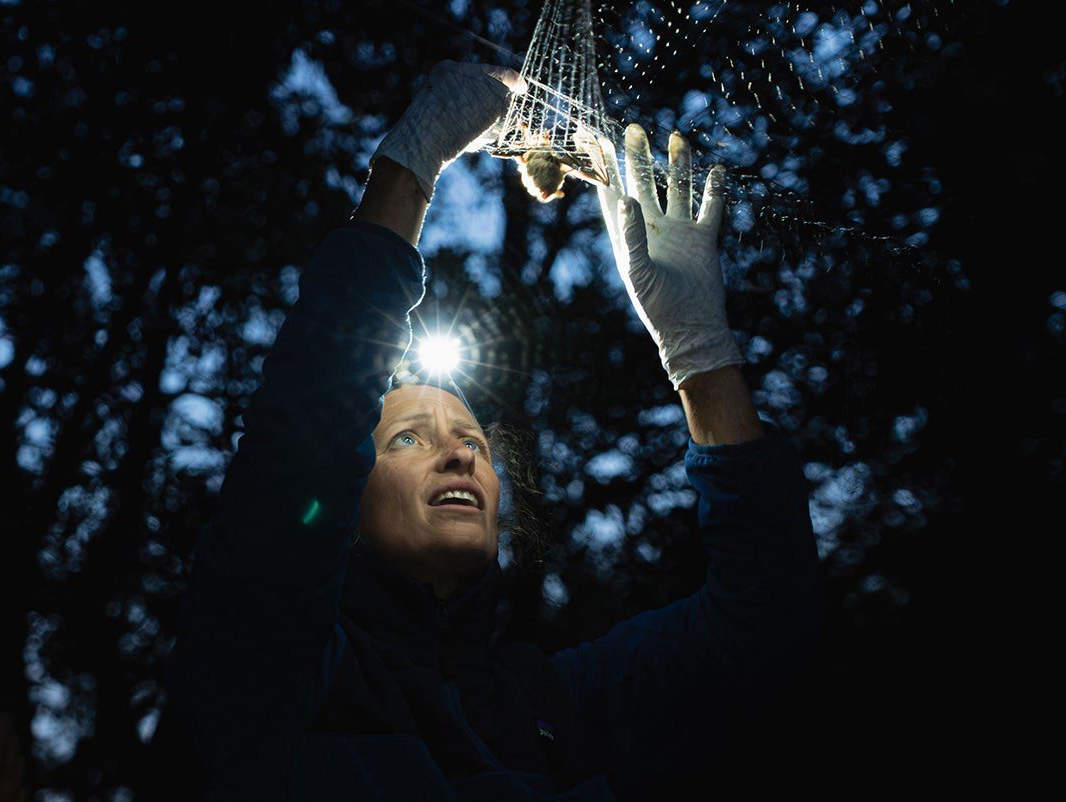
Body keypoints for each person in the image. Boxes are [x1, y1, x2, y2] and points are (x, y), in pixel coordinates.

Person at [164, 60, 826, 799]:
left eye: (474, 444)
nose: (458, 452)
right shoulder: (281, 672)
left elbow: (768, 622)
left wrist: (699, 354)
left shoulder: (555, 701)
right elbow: (302, 439)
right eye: (406, 438)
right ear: (345, 502)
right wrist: (409, 171)